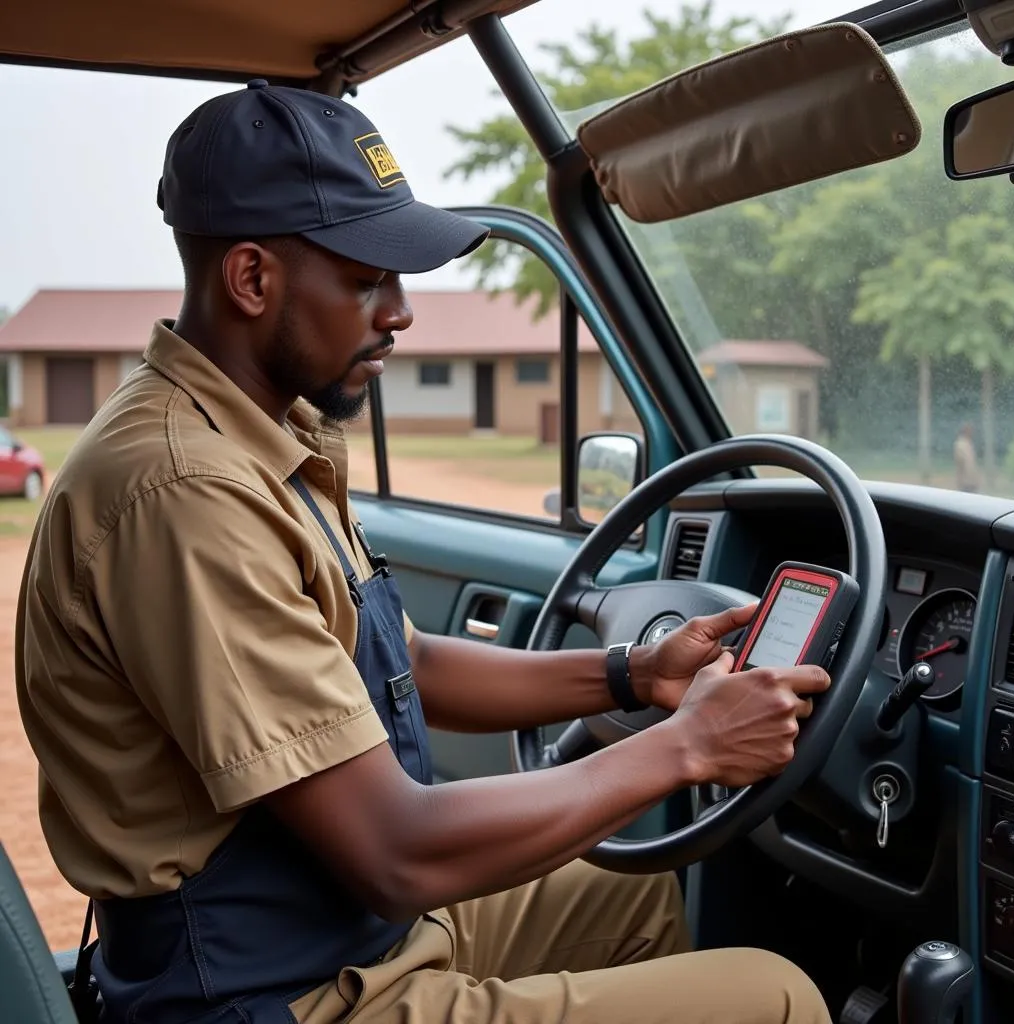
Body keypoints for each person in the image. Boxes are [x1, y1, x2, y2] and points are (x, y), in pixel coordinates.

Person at [15, 80, 833, 1024]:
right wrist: (690, 745)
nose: (400, 313)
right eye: (368, 280)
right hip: (274, 993)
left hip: (344, 927)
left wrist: (634, 673)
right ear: (251, 279)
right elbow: (397, 850)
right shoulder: (186, 494)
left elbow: (407, 659)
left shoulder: (258, 435)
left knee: (633, 896)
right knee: (778, 998)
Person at [953, 422, 980, 493]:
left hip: (971, 480)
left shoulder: (969, 443)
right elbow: (960, 462)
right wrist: (961, 481)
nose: (972, 433)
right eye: (969, 431)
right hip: (965, 482)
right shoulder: (960, 444)